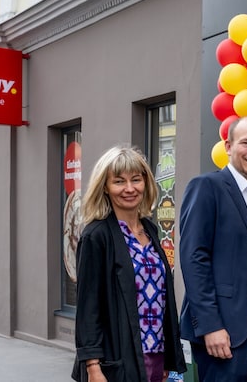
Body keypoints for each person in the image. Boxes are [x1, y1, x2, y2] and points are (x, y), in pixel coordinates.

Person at [179, 116, 247, 382]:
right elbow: (194, 259)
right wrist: (210, 326)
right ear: (228, 146)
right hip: (222, 329)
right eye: (246, 143)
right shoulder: (207, 187)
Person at [73, 145, 185, 382]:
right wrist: (93, 366)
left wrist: (167, 358)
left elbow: (164, 298)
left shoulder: (151, 231)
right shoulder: (97, 236)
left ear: (146, 183)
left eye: (136, 179)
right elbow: (88, 306)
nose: (129, 188)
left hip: (156, 354)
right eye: (119, 181)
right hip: (119, 357)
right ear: (105, 186)